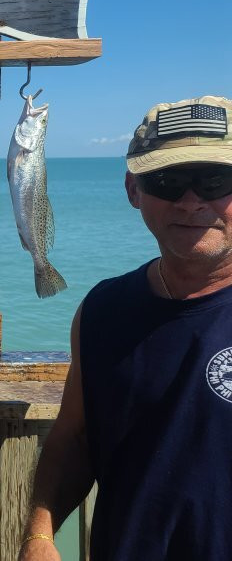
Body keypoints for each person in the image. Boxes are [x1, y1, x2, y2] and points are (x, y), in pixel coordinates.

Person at [19, 95, 232, 561]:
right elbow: (75, 436)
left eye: (216, 179)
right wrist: (39, 534)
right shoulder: (102, 310)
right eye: (168, 180)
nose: (192, 200)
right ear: (134, 191)